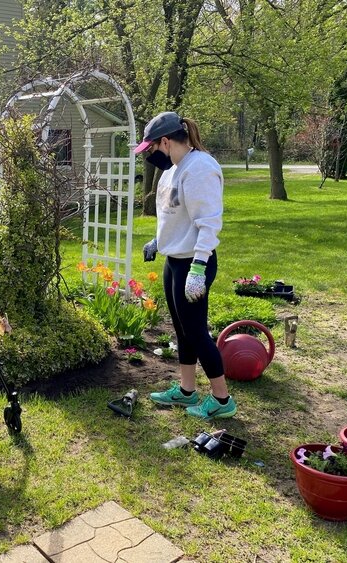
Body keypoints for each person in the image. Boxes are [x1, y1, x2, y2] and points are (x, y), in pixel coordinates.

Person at [134, 111, 236, 420]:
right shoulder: (172, 170)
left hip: (194, 263)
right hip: (174, 260)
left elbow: (207, 224)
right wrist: (158, 241)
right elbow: (172, 215)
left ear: (166, 141)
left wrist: (198, 268)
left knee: (196, 332)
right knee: (181, 330)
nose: (150, 155)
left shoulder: (200, 168)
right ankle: (187, 390)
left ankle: (222, 400)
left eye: (151, 149)